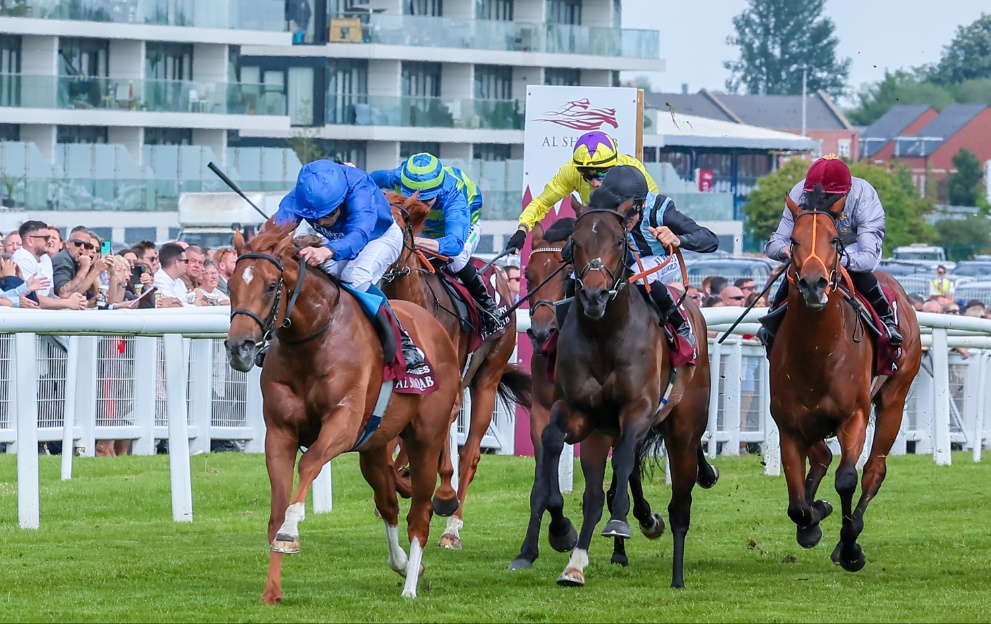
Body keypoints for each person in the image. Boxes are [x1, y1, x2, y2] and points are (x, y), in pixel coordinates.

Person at [271, 159, 423, 371]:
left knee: (355, 277)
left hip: (377, 237)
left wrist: (326, 251)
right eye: (315, 218)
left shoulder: (360, 187)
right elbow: (275, 228)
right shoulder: (301, 196)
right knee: (310, 270)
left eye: (329, 214)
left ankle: (403, 340)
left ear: (342, 199)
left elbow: (359, 235)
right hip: (339, 241)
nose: (322, 223)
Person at [760, 155, 903, 348]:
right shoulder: (799, 192)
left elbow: (868, 257)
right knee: (795, 271)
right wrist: (784, 250)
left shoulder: (864, 195)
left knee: (860, 274)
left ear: (846, 191)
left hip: (853, 246)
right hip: (813, 247)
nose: (822, 201)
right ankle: (773, 319)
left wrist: (832, 260)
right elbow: (775, 242)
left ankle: (886, 321)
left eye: (829, 197)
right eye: (818, 195)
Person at [370, 152, 508, 338]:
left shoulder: (454, 198)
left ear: (438, 191)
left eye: (427, 201)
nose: (422, 207)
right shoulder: (397, 176)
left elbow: (454, 244)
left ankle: (488, 308)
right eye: (415, 200)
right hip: (426, 228)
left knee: (455, 260)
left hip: (462, 228)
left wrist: (413, 241)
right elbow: (367, 180)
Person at [586, 165, 719, 346]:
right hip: (622, 263)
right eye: (617, 210)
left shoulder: (661, 210)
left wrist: (678, 239)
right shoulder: (601, 208)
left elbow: (710, 240)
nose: (624, 220)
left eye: (629, 211)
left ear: (642, 204)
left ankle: (680, 326)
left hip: (662, 259)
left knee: (639, 276)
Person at [504, 131, 659, 254]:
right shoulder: (571, 171)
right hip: (597, 231)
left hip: (636, 234)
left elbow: (654, 209)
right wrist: (522, 229)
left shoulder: (632, 169)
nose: (594, 183)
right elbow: (542, 202)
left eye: (601, 175)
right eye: (587, 176)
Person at [12, 220, 86, 310]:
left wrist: (74, 302)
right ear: (30, 240)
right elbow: (31, 299)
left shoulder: (45, 258)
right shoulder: (22, 259)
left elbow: (50, 294)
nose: (50, 241)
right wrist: (68, 303)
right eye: (46, 238)